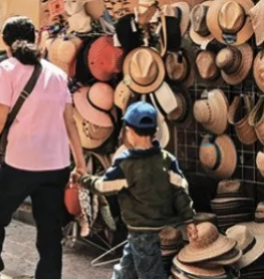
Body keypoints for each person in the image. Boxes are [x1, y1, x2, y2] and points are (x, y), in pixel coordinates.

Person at [0, 15, 87, 279]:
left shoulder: (6, 69)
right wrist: (79, 164)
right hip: (56, 164)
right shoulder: (57, 74)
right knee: (50, 231)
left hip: (21, 164)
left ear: (7, 44)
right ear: (34, 39)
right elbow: (70, 123)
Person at [82, 102, 195, 279]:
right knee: (127, 268)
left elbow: (104, 187)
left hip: (141, 229)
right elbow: (181, 192)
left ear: (130, 131)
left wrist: (83, 179)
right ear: (155, 131)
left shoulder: (127, 164)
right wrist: (189, 220)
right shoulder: (167, 159)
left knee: (151, 274)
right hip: (154, 228)